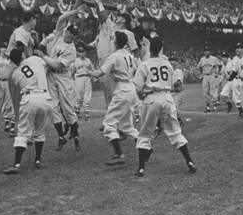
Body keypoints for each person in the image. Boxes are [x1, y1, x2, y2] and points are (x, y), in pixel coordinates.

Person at [133, 37, 197, 176]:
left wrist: (143, 96)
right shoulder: (167, 64)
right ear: (161, 49)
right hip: (167, 97)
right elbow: (176, 86)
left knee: (145, 133)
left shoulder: (145, 64)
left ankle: (141, 167)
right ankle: (189, 161)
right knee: (175, 132)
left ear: (150, 49)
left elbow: (138, 89)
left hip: (152, 98)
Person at [36, 5, 86, 152]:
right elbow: (61, 18)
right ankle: (61, 137)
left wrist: (43, 56)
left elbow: (57, 64)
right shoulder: (59, 35)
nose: (70, 38)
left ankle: (76, 136)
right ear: (67, 32)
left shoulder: (72, 51)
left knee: (68, 107)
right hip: (51, 75)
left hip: (63, 76)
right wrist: (75, 11)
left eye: (73, 37)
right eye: (69, 35)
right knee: (53, 106)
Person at [91, 31, 139, 165]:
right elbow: (134, 69)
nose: (112, 41)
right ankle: (146, 146)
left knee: (109, 124)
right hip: (131, 88)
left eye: (113, 40)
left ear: (116, 42)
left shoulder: (114, 56)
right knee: (127, 126)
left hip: (122, 89)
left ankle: (119, 154)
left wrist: (88, 72)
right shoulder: (129, 55)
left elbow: (100, 72)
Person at [2, 49, 53, 174]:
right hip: (45, 98)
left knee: (23, 133)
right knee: (40, 131)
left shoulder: (15, 74)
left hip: (29, 99)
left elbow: (4, 75)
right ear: (23, 55)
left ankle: (17, 164)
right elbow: (48, 66)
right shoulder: (35, 59)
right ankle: (38, 160)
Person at [90, 0, 138, 107]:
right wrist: (97, 2)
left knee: (117, 96)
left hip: (118, 67)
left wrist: (133, 66)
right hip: (106, 63)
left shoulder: (128, 33)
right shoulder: (111, 27)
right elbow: (102, 17)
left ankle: (117, 122)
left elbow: (135, 51)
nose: (117, 17)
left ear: (124, 20)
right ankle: (110, 122)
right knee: (108, 95)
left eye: (119, 16)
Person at [71, 46, 94, 121]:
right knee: (79, 96)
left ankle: (86, 112)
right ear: (78, 53)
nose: (82, 53)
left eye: (83, 51)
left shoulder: (88, 60)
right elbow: (72, 71)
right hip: (79, 78)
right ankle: (77, 111)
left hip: (87, 78)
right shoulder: (75, 61)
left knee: (87, 95)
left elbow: (92, 69)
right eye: (80, 52)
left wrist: (94, 77)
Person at [197, 46, 220, 113]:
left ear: (210, 51)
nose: (207, 52)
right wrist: (201, 73)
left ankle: (215, 107)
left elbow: (219, 65)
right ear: (204, 52)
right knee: (205, 92)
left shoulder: (214, 58)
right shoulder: (202, 59)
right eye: (205, 51)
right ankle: (208, 107)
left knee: (213, 92)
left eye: (208, 50)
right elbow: (199, 67)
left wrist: (217, 73)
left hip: (212, 75)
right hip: (205, 76)